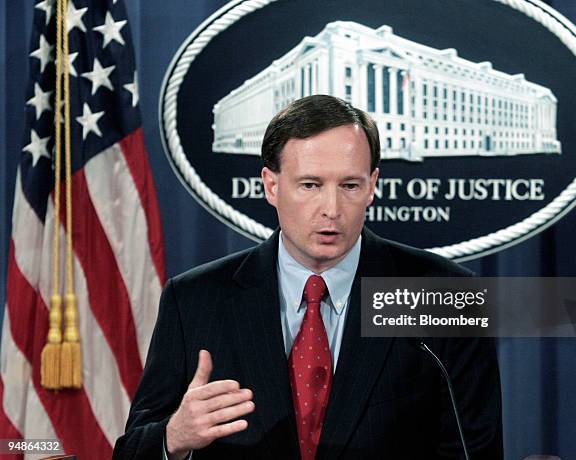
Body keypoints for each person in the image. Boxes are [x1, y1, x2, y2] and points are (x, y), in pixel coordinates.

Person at [113, 95, 503, 459]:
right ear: (271, 185)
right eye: (311, 185)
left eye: (350, 185)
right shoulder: (197, 299)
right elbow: (131, 450)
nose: (331, 208)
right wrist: (174, 437)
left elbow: (475, 450)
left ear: (372, 186)